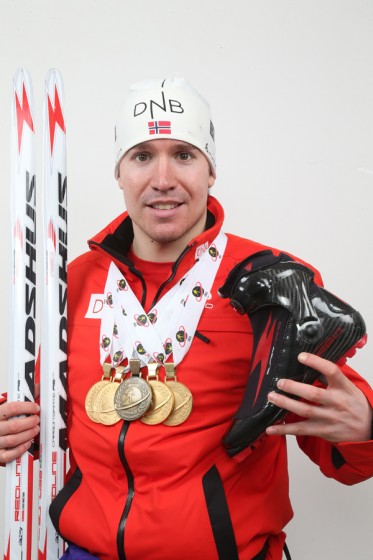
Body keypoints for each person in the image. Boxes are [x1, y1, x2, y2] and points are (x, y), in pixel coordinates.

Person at [1, 75, 373, 560]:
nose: (162, 179)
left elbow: (346, 456)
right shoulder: (73, 282)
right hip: (86, 551)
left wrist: (366, 426)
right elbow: (47, 402)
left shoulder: (271, 279)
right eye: (141, 156)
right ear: (119, 172)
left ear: (210, 169)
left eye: (183, 154)